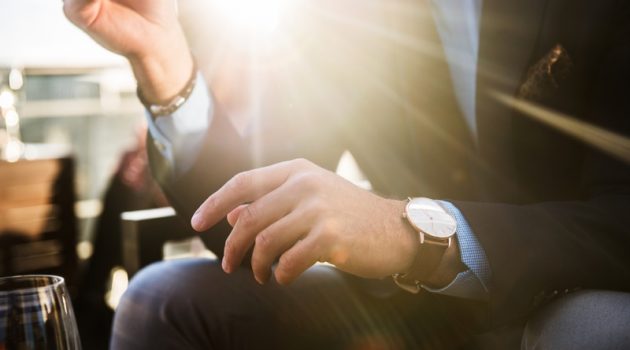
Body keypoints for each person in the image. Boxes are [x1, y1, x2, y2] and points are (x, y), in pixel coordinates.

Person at [63, 0, 630, 349]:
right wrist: (164, 64)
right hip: (424, 310)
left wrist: (411, 233)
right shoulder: (348, 19)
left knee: (581, 331)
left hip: (585, 291)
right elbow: (248, 220)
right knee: (161, 298)